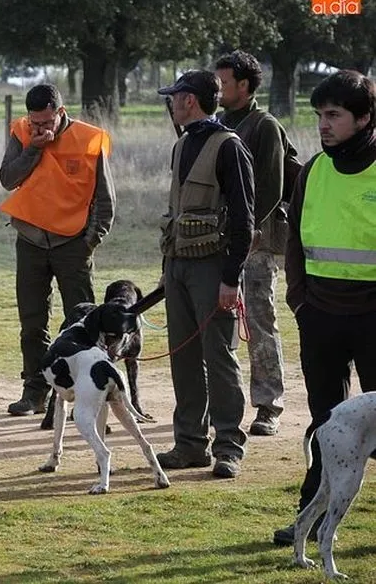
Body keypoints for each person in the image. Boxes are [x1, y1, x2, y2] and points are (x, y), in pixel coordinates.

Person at [273, 69, 376, 545]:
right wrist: (300, 302)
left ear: (365, 117)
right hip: (320, 317)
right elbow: (293, 242)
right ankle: (308, 521)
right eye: (319, 116)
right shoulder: (313, 170)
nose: (323, 125)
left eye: (333, 116)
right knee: (323, 423)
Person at [156, 70, 255, 479]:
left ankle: (228, 446)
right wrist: (167, 270)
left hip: (213, 267)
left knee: (219, 357)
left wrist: (230, 279)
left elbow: (245, 221)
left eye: (174, 97)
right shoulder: (181, 145)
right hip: (178, 265)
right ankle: (190, 444)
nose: (171, 103)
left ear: (190, 101)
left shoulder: (229, 147)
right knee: (183, 357)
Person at [0, 83, 116, 416]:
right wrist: (33, 148)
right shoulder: (22, 133)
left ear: (61, 113)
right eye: (34, 122)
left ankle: (88, 391)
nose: (40, 128)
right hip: (31, 242)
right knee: (32, 322)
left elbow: (106, 199)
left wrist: (90, 241)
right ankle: (34, 391)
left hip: (73, 245)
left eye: (46, 123)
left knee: (82, 321)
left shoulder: (91, 139)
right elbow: (7, 178)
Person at [215, 50, 298, 437]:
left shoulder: (264, 126)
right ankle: (223, 405)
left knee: (259, 322)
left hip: (258, 243)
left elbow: (269, 190)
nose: (217, 89)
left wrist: (245, 236)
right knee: (221, 321)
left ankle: (268, 405)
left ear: (244, 86)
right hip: (223, 240)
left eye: (224, 83)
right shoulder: (218, 123)